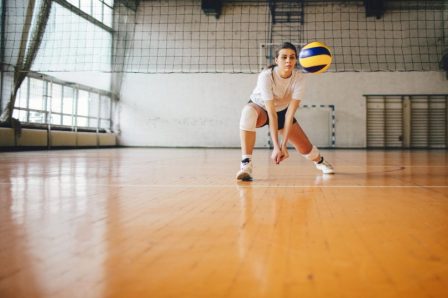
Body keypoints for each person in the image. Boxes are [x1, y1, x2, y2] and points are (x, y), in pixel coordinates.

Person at [236, 42, 334, 181]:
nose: (288, 60)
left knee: (305, 148)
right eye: (284, 57)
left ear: (296, 60)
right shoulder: (266, 76)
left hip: (283, 111)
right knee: (248, 112)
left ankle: (320, 161)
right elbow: (271, 115)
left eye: (292, 57)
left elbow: (289, 115)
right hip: (261, 108)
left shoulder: (299, 78)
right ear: (276, 60)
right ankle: (246, 164)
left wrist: (283, 146)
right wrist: (276, 147)